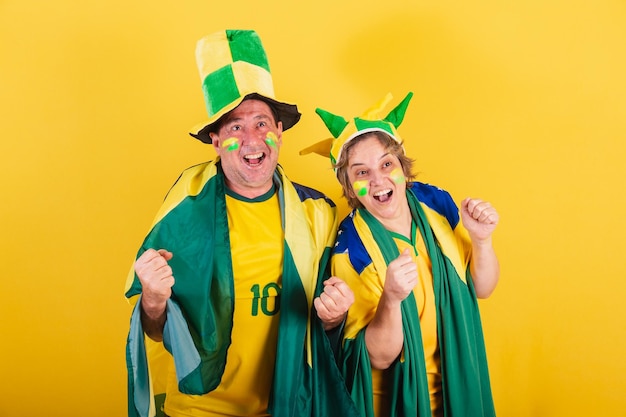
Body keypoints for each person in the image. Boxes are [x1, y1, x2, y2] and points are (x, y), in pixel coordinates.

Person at [124, 29, 359, 417]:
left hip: (288, 404)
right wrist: (153, 297)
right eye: (235, 127)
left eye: (261, 123)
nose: (252, 139)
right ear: (216, 141)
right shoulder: (184, 213)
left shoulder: (317, 212)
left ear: (279, 132)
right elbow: (154, 329)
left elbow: (337, 324)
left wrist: (334, 318)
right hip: (200, 408)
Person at [301, 92, 500, 417]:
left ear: (403, 169)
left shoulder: (436, 204)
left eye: (386, 164)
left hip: (458, 391)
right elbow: (377, 358)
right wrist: (391, 299)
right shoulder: (352, 249)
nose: (378, 179)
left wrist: (482, 241)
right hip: (396, 404)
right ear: (349, 186)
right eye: (361, 173)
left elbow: (482, 288)